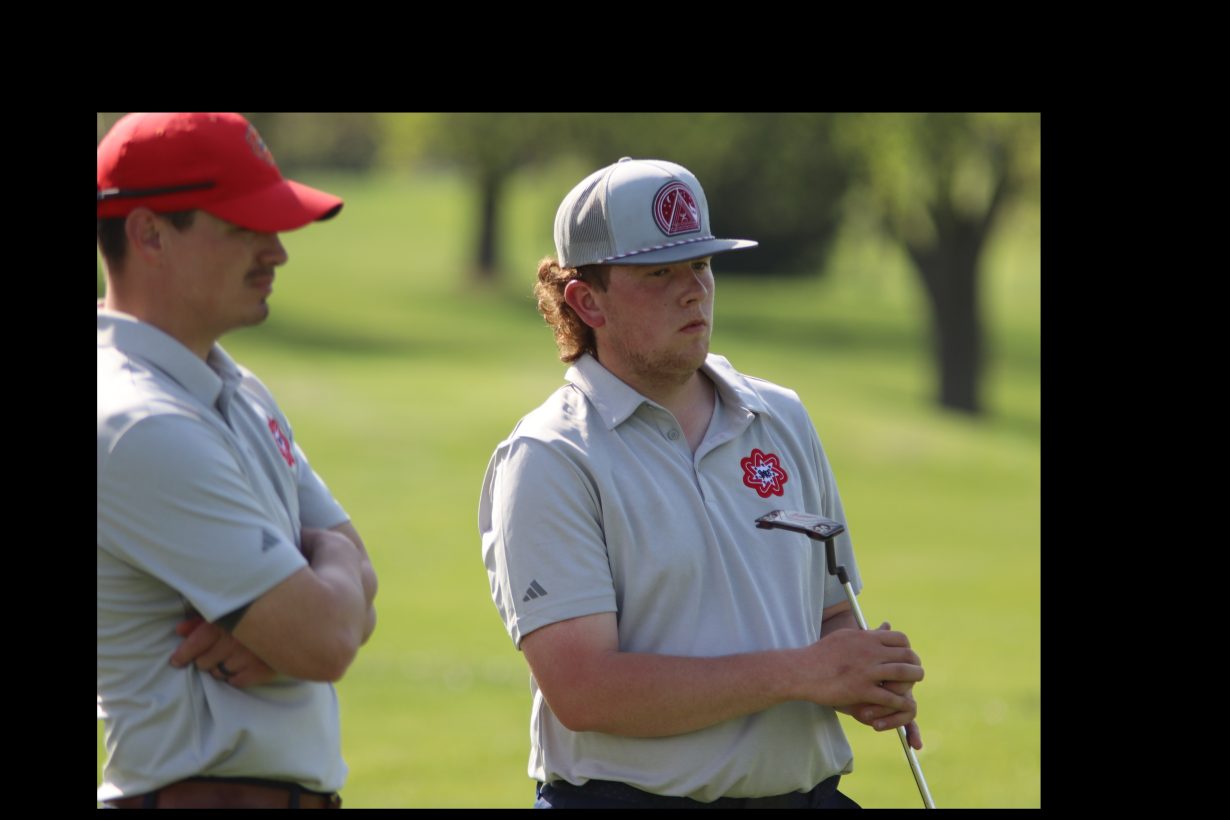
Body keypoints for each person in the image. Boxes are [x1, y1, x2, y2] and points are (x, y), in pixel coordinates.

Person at [479, 158, 925, 809]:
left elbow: (830, 613)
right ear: (586, 301)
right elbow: (584, 689)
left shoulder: (780, 417)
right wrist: (803, 673)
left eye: (702, 264)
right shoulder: (550, 456)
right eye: (659, 273)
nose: (693, 290)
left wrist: (862, 671)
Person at [97, 112, 378, 809]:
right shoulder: (139, 423)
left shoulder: (237, 388)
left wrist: (313, 603)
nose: (276, 251)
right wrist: (324, 574)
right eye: (244, 226)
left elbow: (356, 599)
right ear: (149, 234)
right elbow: (329, 638)